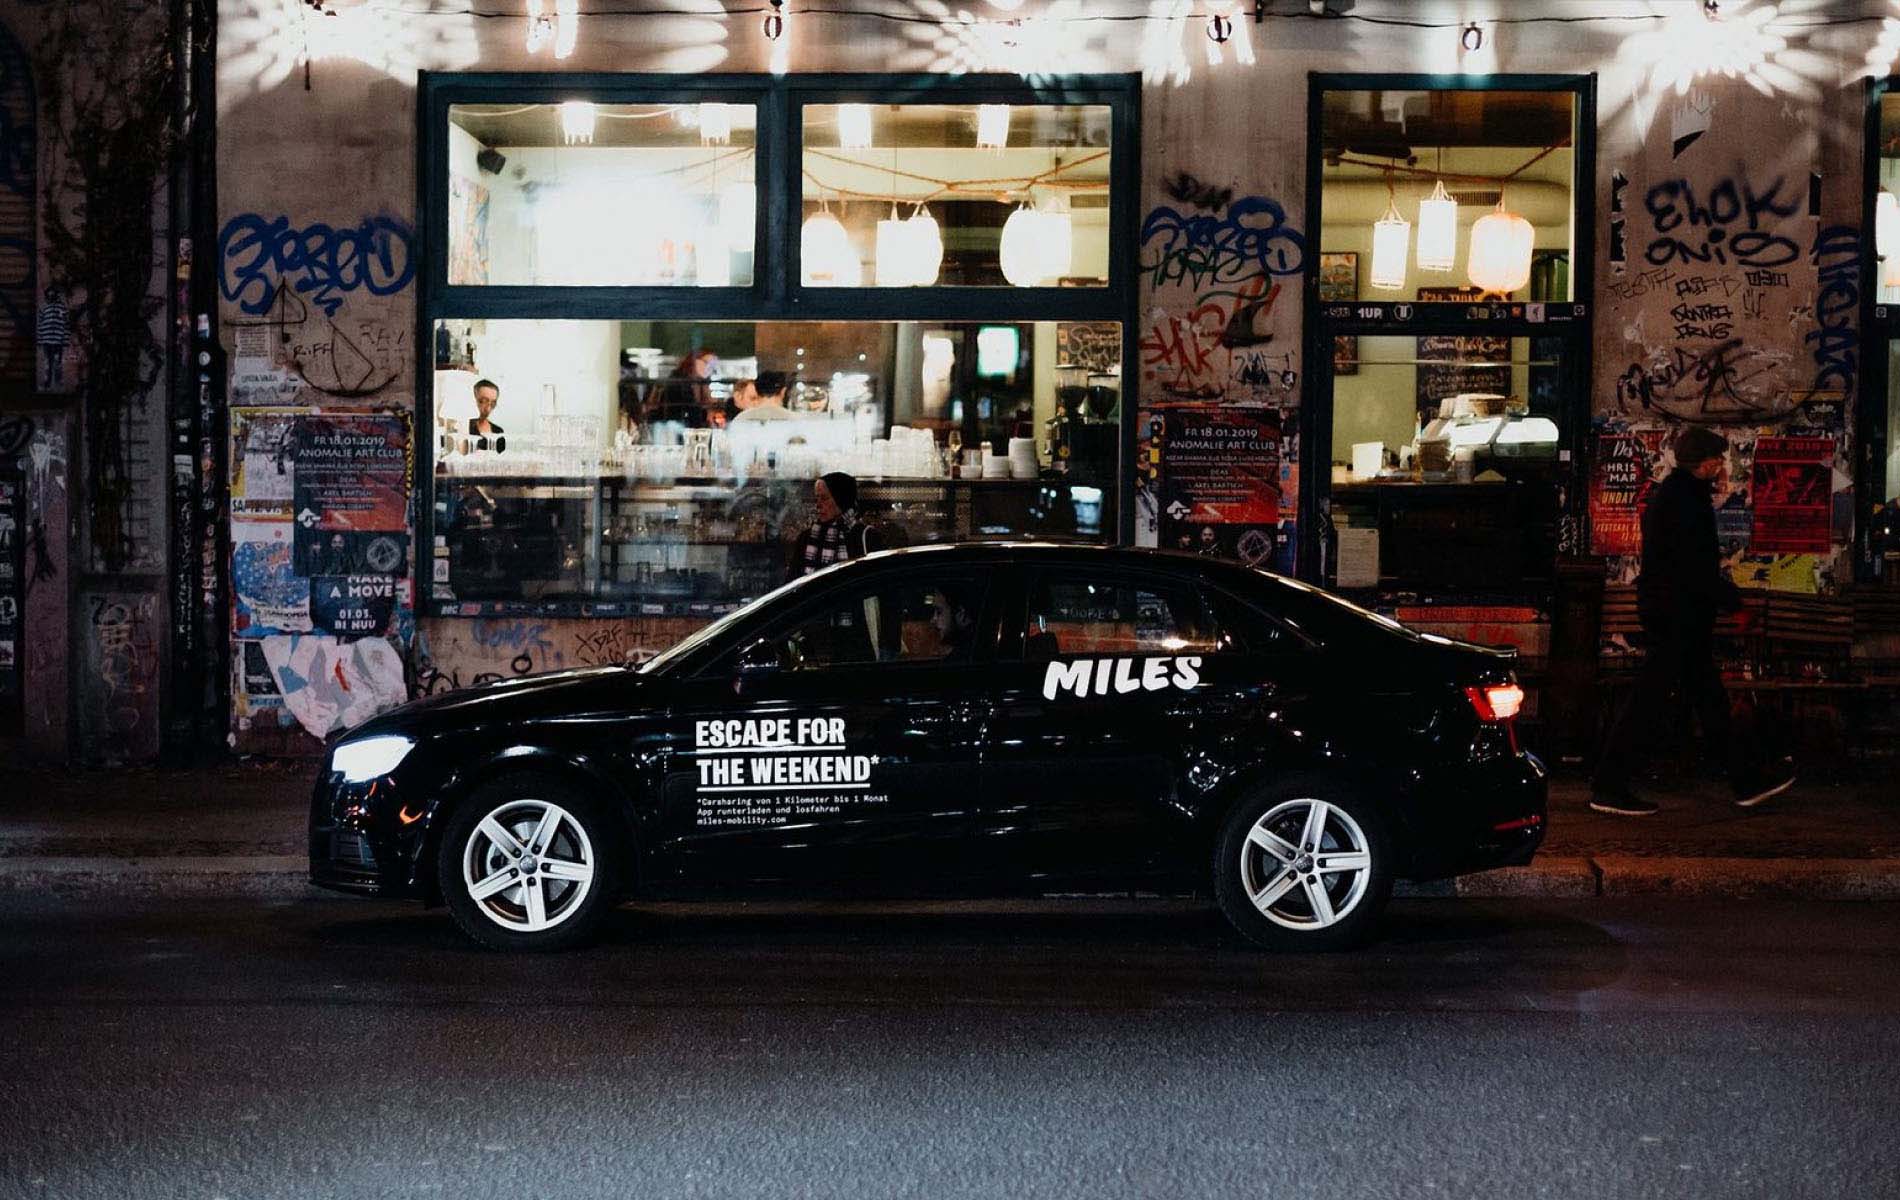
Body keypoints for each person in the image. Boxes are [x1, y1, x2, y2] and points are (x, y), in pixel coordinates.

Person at [1592, 427, 1795, 816]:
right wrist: (1733, 604)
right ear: (1703, 463)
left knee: (1706, 700)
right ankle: (1609, 785)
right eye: (1718, 460)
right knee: (1651, 703)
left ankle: (1746, 781)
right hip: (1677, 617)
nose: (1721, 467)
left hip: (1674, 614)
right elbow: (1696, 566)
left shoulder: (1676, 495)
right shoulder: (1686, 501)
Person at [790, 471, 886, 578]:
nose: (818, 505)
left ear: (841, 499)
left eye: (825, 498)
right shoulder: (807, 538)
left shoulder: (867, 537)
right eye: (817, 498)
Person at [468, 379, 505, 452]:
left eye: (492, 403)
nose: (488, 408)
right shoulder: (464, 428)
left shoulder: (498, 432)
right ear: (473, 399)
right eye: (483, 401)